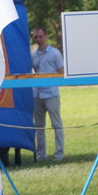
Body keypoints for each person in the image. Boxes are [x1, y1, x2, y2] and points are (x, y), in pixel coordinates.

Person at [31, 26, 64, 161]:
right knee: (39, 127)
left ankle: (59, 154)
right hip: (37, 94)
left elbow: (61, 72)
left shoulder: (55, 53)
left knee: (57, 125)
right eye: (35, 37)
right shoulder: (33, 54)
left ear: (46, 36)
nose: (38, 39)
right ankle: (41, 155)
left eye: (40, 36)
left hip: (51, 94)